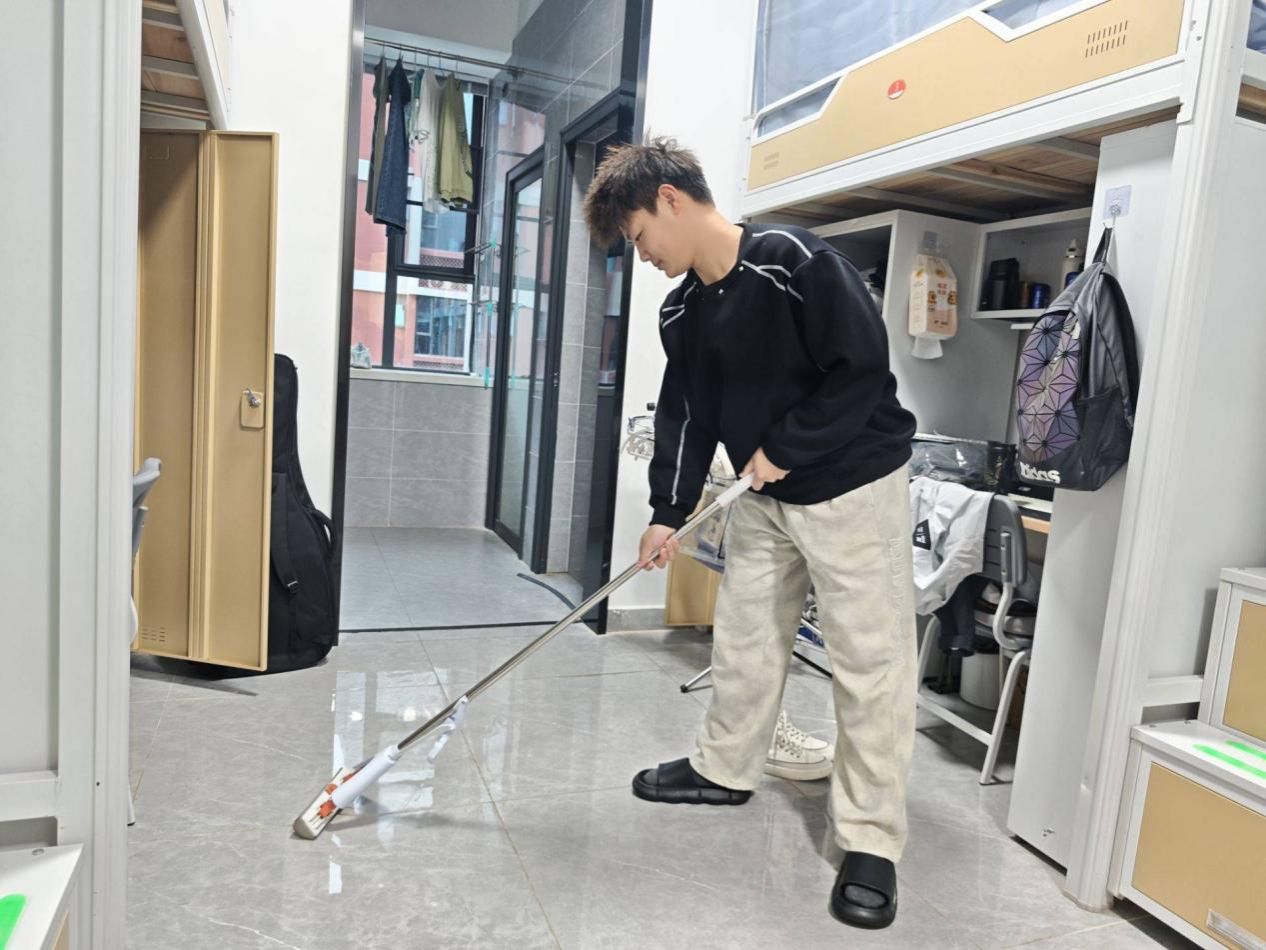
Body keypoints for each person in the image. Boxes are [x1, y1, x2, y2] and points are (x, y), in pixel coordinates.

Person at [583, 137, 917, 930]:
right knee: (744, 638)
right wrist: (665, 514)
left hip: (852, 486)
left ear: (670, 199)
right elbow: (685, 416)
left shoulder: (795, 263)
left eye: (639, 236)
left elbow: (862, 369)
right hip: (765, 498)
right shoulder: (683, 311)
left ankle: (870, 839)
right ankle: (725, 768)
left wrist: (787, 447)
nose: (644, 256)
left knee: (869, 663)